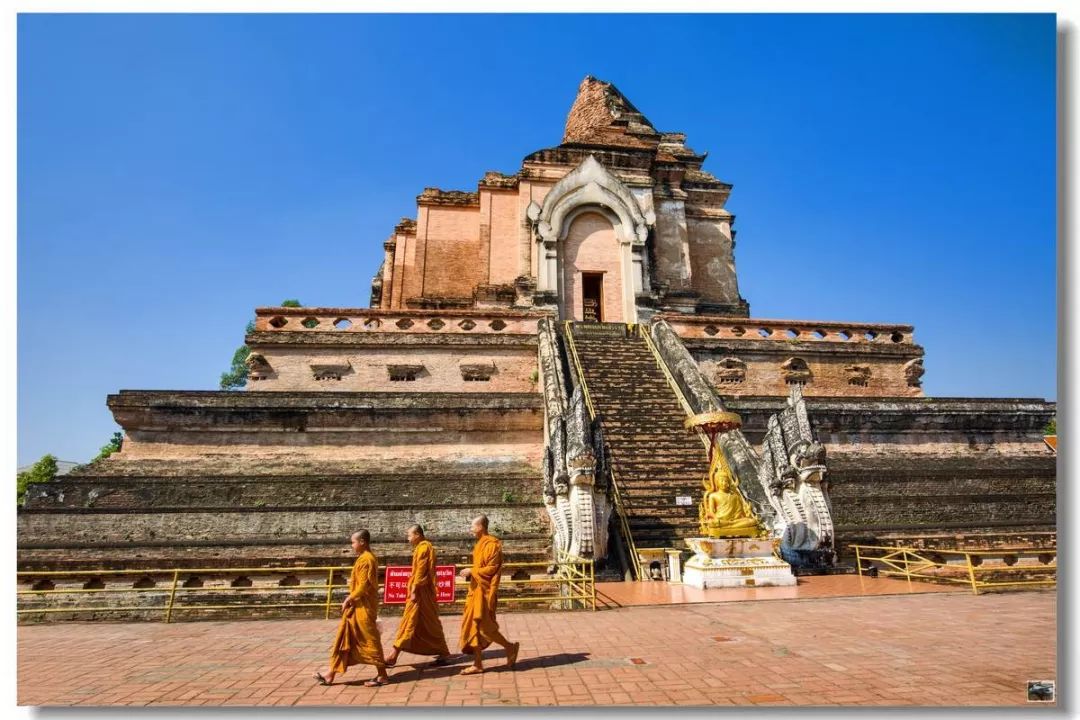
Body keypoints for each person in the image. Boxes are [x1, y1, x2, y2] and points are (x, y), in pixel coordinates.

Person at [313, 530, 390, 687]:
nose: (352, 545)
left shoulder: (367, 559)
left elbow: (364, 585)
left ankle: (382, 675)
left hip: (364, 606)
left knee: (370, 639)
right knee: (345, 638)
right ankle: (330, 674)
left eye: (353, 542)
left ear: (362, 542)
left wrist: (349, 598)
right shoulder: (365, 558)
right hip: (358, 606)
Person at [458, 514, 520, 674]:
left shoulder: (492, 544)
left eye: (473, 526)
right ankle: (478, 664)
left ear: (480, 527)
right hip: (476, 591)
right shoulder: (479, 544)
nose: (471, 530)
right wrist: (472, 572)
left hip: (485, 592)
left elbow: (492, 569)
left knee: (486, 628)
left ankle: (509, 646)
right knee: (475, 627)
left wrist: (472, 570)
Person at [384, 524, 452, 667]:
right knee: (430, 624)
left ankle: (393, 655)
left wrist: (414, 590)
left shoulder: (423, 548)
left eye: (409, 535)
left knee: (409, 622)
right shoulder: (423, 548)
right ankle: (443, 651)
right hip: (423, 592)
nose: (408, 539)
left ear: (417, 535)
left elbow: (421, 572)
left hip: (420, 592)